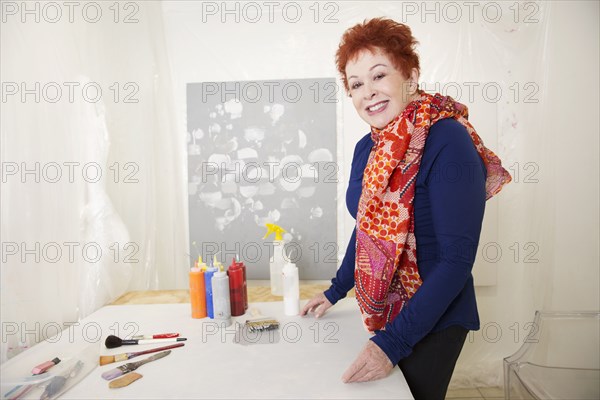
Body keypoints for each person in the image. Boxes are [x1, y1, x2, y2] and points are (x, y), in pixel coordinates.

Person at [300, 17, 511, 400]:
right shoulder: (369, 148)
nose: (368, 92)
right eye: (356, 84)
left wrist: (390, 345)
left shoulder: (448, 140)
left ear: (410, 75)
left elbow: (457, 261)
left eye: (379, 76)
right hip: (387, 307)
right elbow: (368, 229)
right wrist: (335, 291)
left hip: (436, 316)